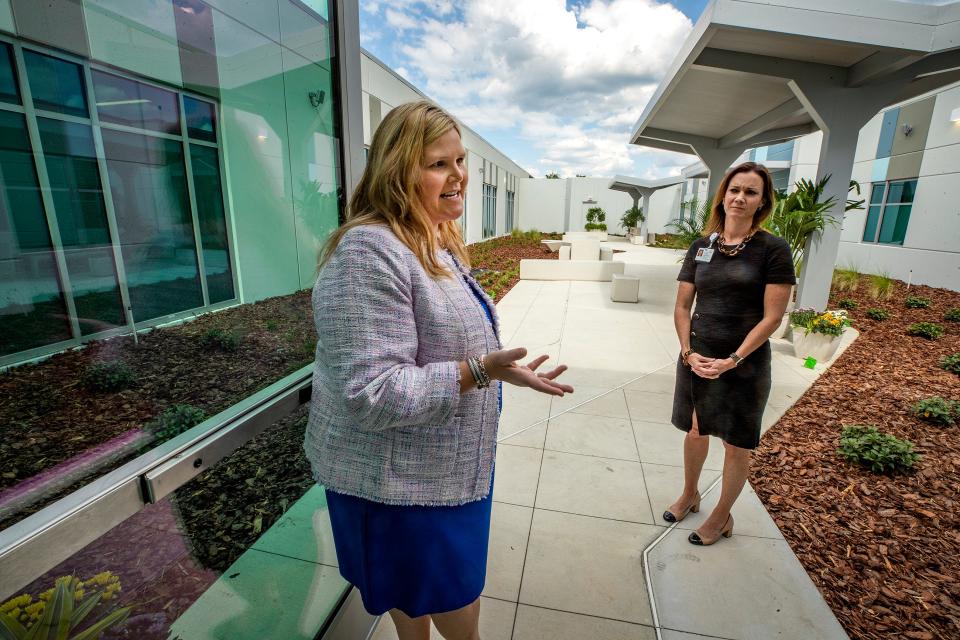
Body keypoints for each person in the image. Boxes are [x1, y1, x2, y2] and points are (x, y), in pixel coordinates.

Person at [304, 100, 574, 640]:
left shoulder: (432, 239)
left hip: (444, 472)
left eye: (460, 160)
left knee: (421, 609)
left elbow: (439, 348)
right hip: (400, 486)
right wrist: (476, 370)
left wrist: (498, 371)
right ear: (397, 170)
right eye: (438, 164)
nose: (459, 177)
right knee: (456, 619)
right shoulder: (368, 250)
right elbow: (371, 392)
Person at [663, 162, 796, 546]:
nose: (740, 198)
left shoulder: (772, 249)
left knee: (735, 442)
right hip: (698, 356)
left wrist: (734, 359)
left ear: (762, 202)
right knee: (694, 428)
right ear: (723, 195)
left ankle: (722, 517)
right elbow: (682, 306)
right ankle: (690, 494)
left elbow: (773, 317)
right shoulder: (702, 247)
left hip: (744, 362)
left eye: (750, 192)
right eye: (734, 189)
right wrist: (688, 352)